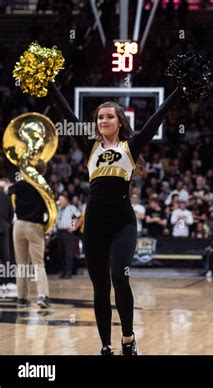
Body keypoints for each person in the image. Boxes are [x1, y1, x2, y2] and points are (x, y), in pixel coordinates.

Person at [47, 80, 183, 355]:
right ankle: (106, 345)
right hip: (95, 224)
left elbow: (157, 118)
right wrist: (49, 83)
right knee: (100, 286)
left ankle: (128, 338)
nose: (104, 120)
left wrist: (180, 89)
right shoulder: (90, 148)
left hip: (123, 223)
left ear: (120, 121)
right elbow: (67, 113)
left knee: (120, 275)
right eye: (100, 117)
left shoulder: (131, 147)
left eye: (110, 116)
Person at [4, 161, 50, 309]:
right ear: (43, 172)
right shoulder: (43, 187)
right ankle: (42, 296)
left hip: (18, 226)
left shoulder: (21, 183)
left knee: (21, 265)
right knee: (38, 264)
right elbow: (50, 209)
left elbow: (8, 190)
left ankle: (22, 298)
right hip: (35, 226)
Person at [56, 193, 83, 278]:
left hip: (68, 232)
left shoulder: (71, 208)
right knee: (61, 253)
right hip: (59, 232)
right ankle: (63, 272)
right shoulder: (59, 208)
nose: (60, 202)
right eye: (59, 200)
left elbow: (80, 217)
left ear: (66, 200)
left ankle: (68, 273)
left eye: (61, 200)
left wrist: (74, 227)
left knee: (68, 253)